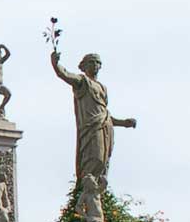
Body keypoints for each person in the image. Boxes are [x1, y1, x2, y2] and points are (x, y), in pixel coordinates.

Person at [49, 49, 136, 187]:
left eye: (97, 62)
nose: (95, 65)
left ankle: (97, 191)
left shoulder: (103, 87)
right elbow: (65, 75)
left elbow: (105, 114)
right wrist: (55, 64)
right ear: (84, 66)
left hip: (105, 127)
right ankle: (86, 189)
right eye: (91, 62)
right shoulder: (82, 81)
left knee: (104, 161)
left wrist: (124, 123)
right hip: (91, 127)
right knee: (95, 158)